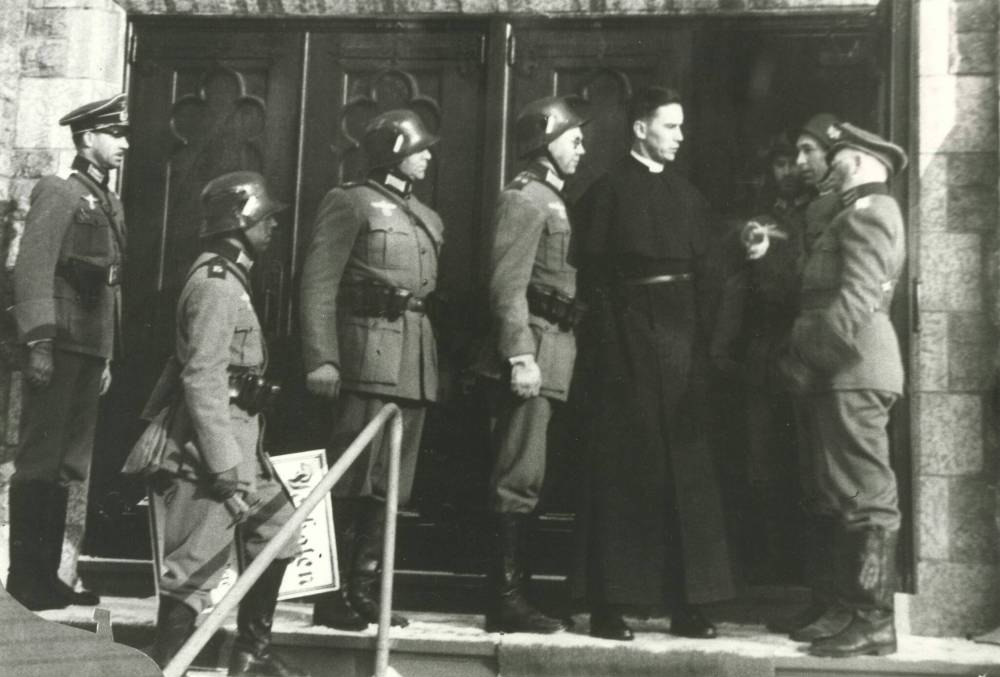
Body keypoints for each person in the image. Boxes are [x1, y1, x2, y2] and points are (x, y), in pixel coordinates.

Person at [569, 86, 733, 641]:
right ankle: (610, 605)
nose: (680, 137)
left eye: (682, 127)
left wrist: (701, 351)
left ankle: (689, 604)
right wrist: (614, 352)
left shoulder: (689, 196)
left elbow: (711, 277)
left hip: (682, 347)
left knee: (687, 480)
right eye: (671, 126)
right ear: (641, 128)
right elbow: (590, 282)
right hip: (627, 349)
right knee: (623, 477)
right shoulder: (606, 193)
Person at [145, 171, 308, 677]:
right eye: (268, 217)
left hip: (242, 439)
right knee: (192, 570)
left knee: (280, 530)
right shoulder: (215, 284)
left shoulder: (232, 278)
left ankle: (251, 655)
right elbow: (201, 378)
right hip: (212, 447)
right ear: (240, 219)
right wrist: (221, 465)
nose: (275, 225)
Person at [299, 109, 443, 631]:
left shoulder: (424, 215)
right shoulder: (350, 201)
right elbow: (318, 284)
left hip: (413, 360)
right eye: (420, 147)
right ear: (395, 151)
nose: (428, 155)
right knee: (351, 479)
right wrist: (321, 357)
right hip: (364, 358)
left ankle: (366, 592)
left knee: (390, 487)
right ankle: (332, 595)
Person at [779, 123, 908, 658]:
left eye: (836, 156)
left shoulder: (870, 213)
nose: (827, 163)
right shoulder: (845, 212)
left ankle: (873, 619)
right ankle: (844, 607)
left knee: (864, 494)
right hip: (837, 372)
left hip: (851, 369)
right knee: (836, 491)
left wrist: (810, 360)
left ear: (857, 159)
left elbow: (857, 301)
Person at [7, 94, 129, 611]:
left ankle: (47, 576)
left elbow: (111, 286)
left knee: (67, 465)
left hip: (88, 347)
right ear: (87, 139)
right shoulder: (59, 192)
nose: (123, 144)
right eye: (115, 134)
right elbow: (33, 268)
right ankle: (23, 579)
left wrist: (107, 354)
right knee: (40, 459)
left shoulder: (107, 200)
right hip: (59, 344)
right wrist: (39, 341)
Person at [474, 95, 586, 634]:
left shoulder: (553, 198)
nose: (582, 148)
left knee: (532, 474)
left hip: (555, 351)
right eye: (574, 138)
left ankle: (522, 594)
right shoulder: (525, 198)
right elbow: (507, 283)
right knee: (517, 475)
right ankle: (507, 601)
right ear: (546, 141)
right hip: (533, 353)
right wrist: (520, 354)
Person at [763, 113, 847, 639]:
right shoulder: (809, 210)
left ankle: (846, 605)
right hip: (803, 360)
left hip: (835, 364)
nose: (799, 164)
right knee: (815, 484)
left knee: (845, 487)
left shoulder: (849, 211)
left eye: (809, 153)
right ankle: (825, 599)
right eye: (795, 154)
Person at [736, 132, 811, 583]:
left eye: (792, 163)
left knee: (802, 458)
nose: (786, 171)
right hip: (764, 354)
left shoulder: (819, 216)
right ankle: (770, 561)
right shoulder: (761, 221)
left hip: (802, 349)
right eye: (778, 164)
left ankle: (805, 567)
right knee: (760, 459)